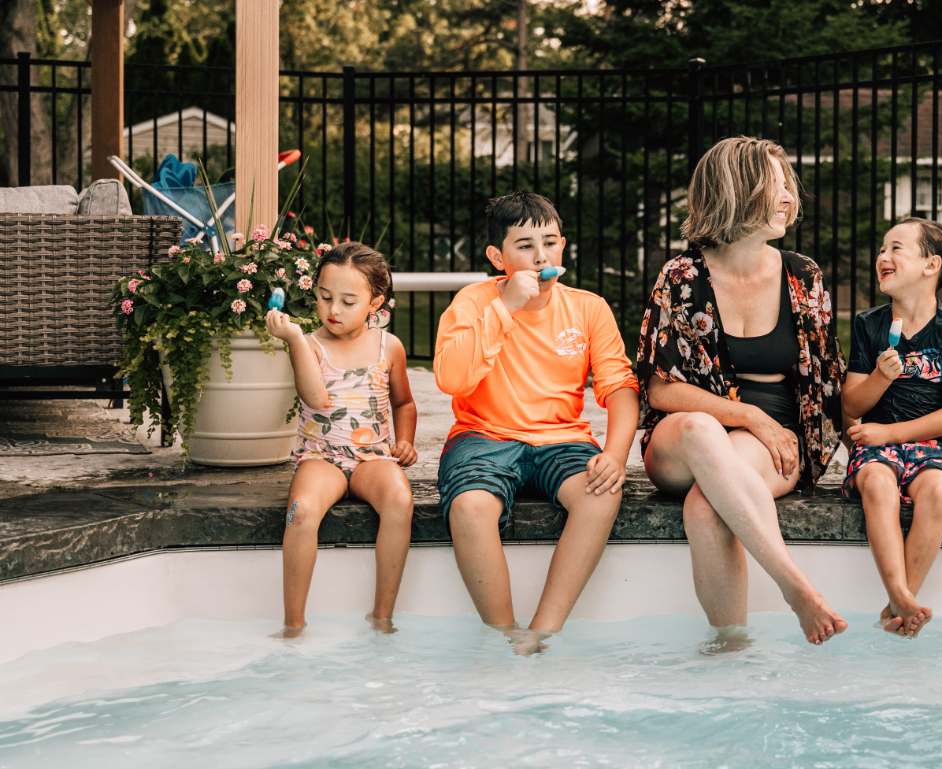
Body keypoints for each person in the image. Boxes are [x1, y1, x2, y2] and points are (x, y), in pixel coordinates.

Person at [637, 136, 848, 647]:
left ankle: (730, 650)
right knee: (701, 426)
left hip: (778, 437)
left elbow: (829, 379)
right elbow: (661, 391)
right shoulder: (682, 277)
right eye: (774, 187)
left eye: (788, 188)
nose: (788, 199)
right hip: (686, 436)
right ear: (736, 191)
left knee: (707, 508)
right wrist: (749, 416)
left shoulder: (802, 276)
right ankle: (795, 587)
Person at [433, 190, 640, 654]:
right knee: (469, 508)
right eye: (524, 245)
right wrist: (505, 307)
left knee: (601, 493)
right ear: (497, 256)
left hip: (561, 439)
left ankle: (542, 632)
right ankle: (504, 634)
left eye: (549, 242)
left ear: (563, 245)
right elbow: (450, 378)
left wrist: (615, 453)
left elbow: (621, 389)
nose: (540, 256)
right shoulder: (473, 302)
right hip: (482, 436)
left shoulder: (589, 308)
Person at [266, 242, 418, 636]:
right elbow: (315, 398)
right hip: (322, 458)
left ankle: (382, 616)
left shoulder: (390, 347)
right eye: (324, 297)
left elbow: (404, 403)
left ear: (375, 301)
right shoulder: (311, 346)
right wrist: (295, 339)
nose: (333, 310)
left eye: (348, 301)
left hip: (374, 458)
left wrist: (406, 441)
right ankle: (293, 624)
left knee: (401, 501)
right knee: (300, 511)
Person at [840, 217, 942, 639]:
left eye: (896, 248)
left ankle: (898, 605)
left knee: (939, 490)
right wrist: (881, 377)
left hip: (928, 445)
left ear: (930, 265)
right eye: (882, 248)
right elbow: (850, 404)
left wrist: (893, 433)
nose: (883, 256)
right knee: (878, 484)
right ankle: (901, 595)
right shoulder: (870, 324)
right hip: (876, 449)